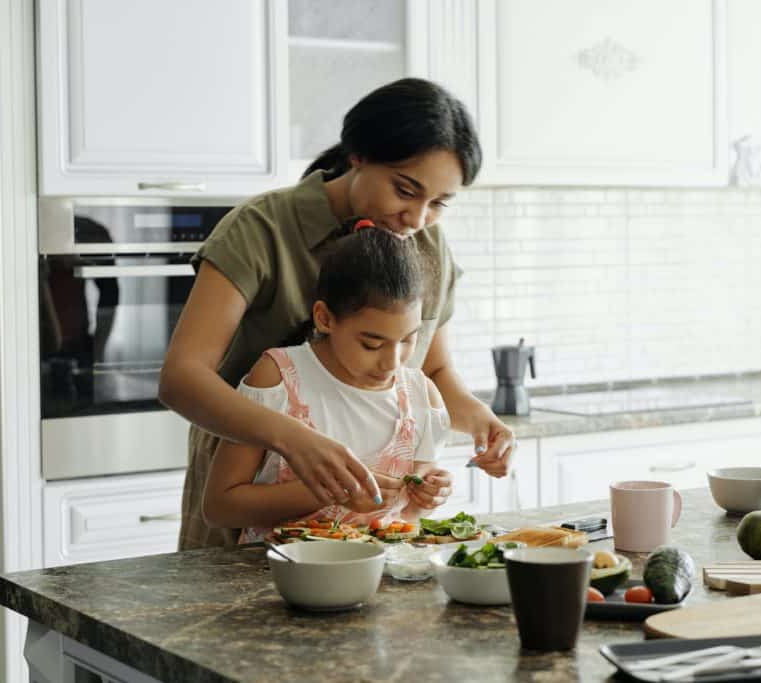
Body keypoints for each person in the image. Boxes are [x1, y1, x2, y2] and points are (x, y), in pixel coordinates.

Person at [159, 77, 517, 549]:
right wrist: (293, 440)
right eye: (405, 190)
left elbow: (432, 369)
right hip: (250, 497)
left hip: (370, 532)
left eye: (438, 204)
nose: (417, 218)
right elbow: (181, 378)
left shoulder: (427, 244)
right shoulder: (261, 229)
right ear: (359, 155)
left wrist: (480, 421)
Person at [203, 223, 452, 541]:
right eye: (372, 344)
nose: (392, 362)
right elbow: (220, 507)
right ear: (324, 318)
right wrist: (329, 491)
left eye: (408, 340)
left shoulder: (421, 396)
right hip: (277, 578)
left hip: (380, 579)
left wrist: (428, 495)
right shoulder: (278, 378)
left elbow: (409, 516)